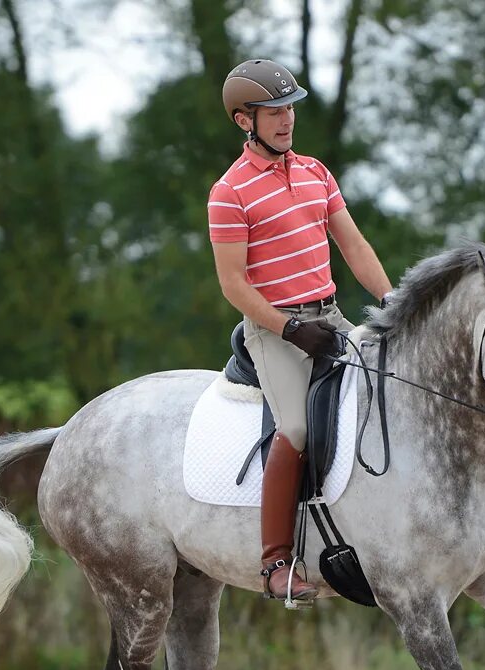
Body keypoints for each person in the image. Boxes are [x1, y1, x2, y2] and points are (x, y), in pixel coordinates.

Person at [208, 58, 393, 602]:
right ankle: (275, 564)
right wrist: (289, 329)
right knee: (295, 430)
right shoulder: (230, 193)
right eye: (274, 112)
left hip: (330, 315)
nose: (287, 120)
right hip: (275, 331)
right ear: (245, 121)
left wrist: (392, 302)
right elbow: (234, 285)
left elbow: (354, 247)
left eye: (290, 108)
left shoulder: (316, 173)